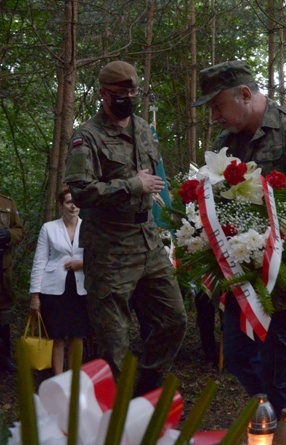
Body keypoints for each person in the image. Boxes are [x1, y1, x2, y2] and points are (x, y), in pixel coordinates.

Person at [192, 60, 286, 413]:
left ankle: (281, 423)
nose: (213, 116)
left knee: (281, 378)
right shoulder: (225, 141)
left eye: (216, 105)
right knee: (239, 359)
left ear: (244, 94)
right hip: (243, 282)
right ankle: (269, 417)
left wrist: (268, 243)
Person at [64, 60, 187, 396]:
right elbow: (81, 191)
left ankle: (147, 385)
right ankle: (116, 413)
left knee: (174, 319)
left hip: (147, 239)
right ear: (104, 93)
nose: (128, 98)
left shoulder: (145, 129)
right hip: (110, 248)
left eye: (133, 92)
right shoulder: (86, 136)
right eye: (121, 93)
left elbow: (154, 178)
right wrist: (132, 185)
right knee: (113, 340)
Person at [28, 186, 91, 375]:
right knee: (57, 337)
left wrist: (82, 263)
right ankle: (58, 380)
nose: (73, 206)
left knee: (77, 336)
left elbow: (99, 257)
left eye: (76, 202)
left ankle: (74, 380)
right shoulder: (48, 228)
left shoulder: (89, 227)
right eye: (68, 202)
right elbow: (39, 261)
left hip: (81, 289)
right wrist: (35, 295)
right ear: (60, 205)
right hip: (53, 290)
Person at [0, 192, 25, 373]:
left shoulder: (7, 202)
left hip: (2, 270)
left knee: (4, 314)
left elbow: (20, 230)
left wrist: (7, 234)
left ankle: (4, 357)